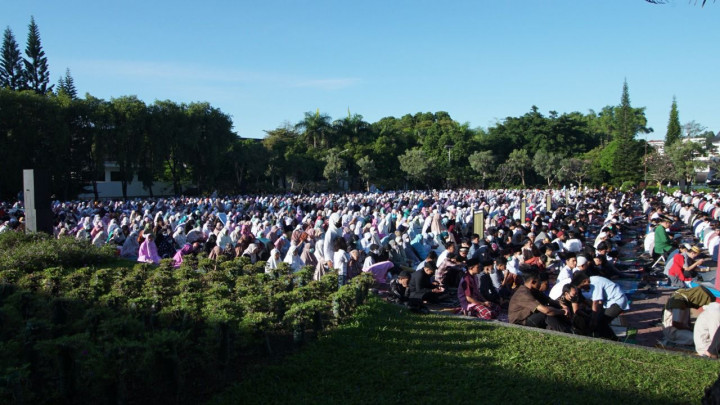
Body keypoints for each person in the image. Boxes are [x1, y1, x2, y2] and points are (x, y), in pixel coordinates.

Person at [508, 267, 570, 332]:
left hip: (529, 317)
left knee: (554, 308)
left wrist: (562, 306)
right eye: (539, 281)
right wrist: (562, 311)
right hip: (519, 323)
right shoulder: (523, 293)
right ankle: (566, 333)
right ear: (533, 282)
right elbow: (546, 311)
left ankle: (569, 328)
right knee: (546, 314)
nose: (540, 283)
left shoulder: (533, 290)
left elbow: (549, 301)